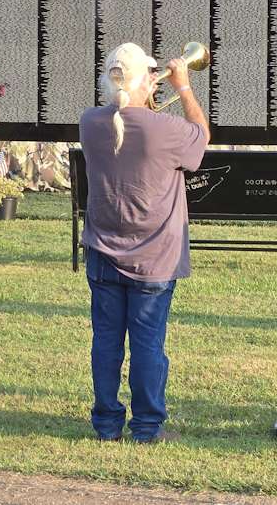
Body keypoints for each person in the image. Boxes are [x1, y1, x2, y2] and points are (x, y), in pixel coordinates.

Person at [79, 42, 209, 443]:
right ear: (143, 79)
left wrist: (144, 93)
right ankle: (147, 427)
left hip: (102, 252)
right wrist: (183, 86)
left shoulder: (90, 121)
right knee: (148, 345)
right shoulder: (164, 129)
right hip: (154, 257)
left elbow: (129, 122)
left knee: (106, 343)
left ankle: (106, 425)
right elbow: (201, 139)